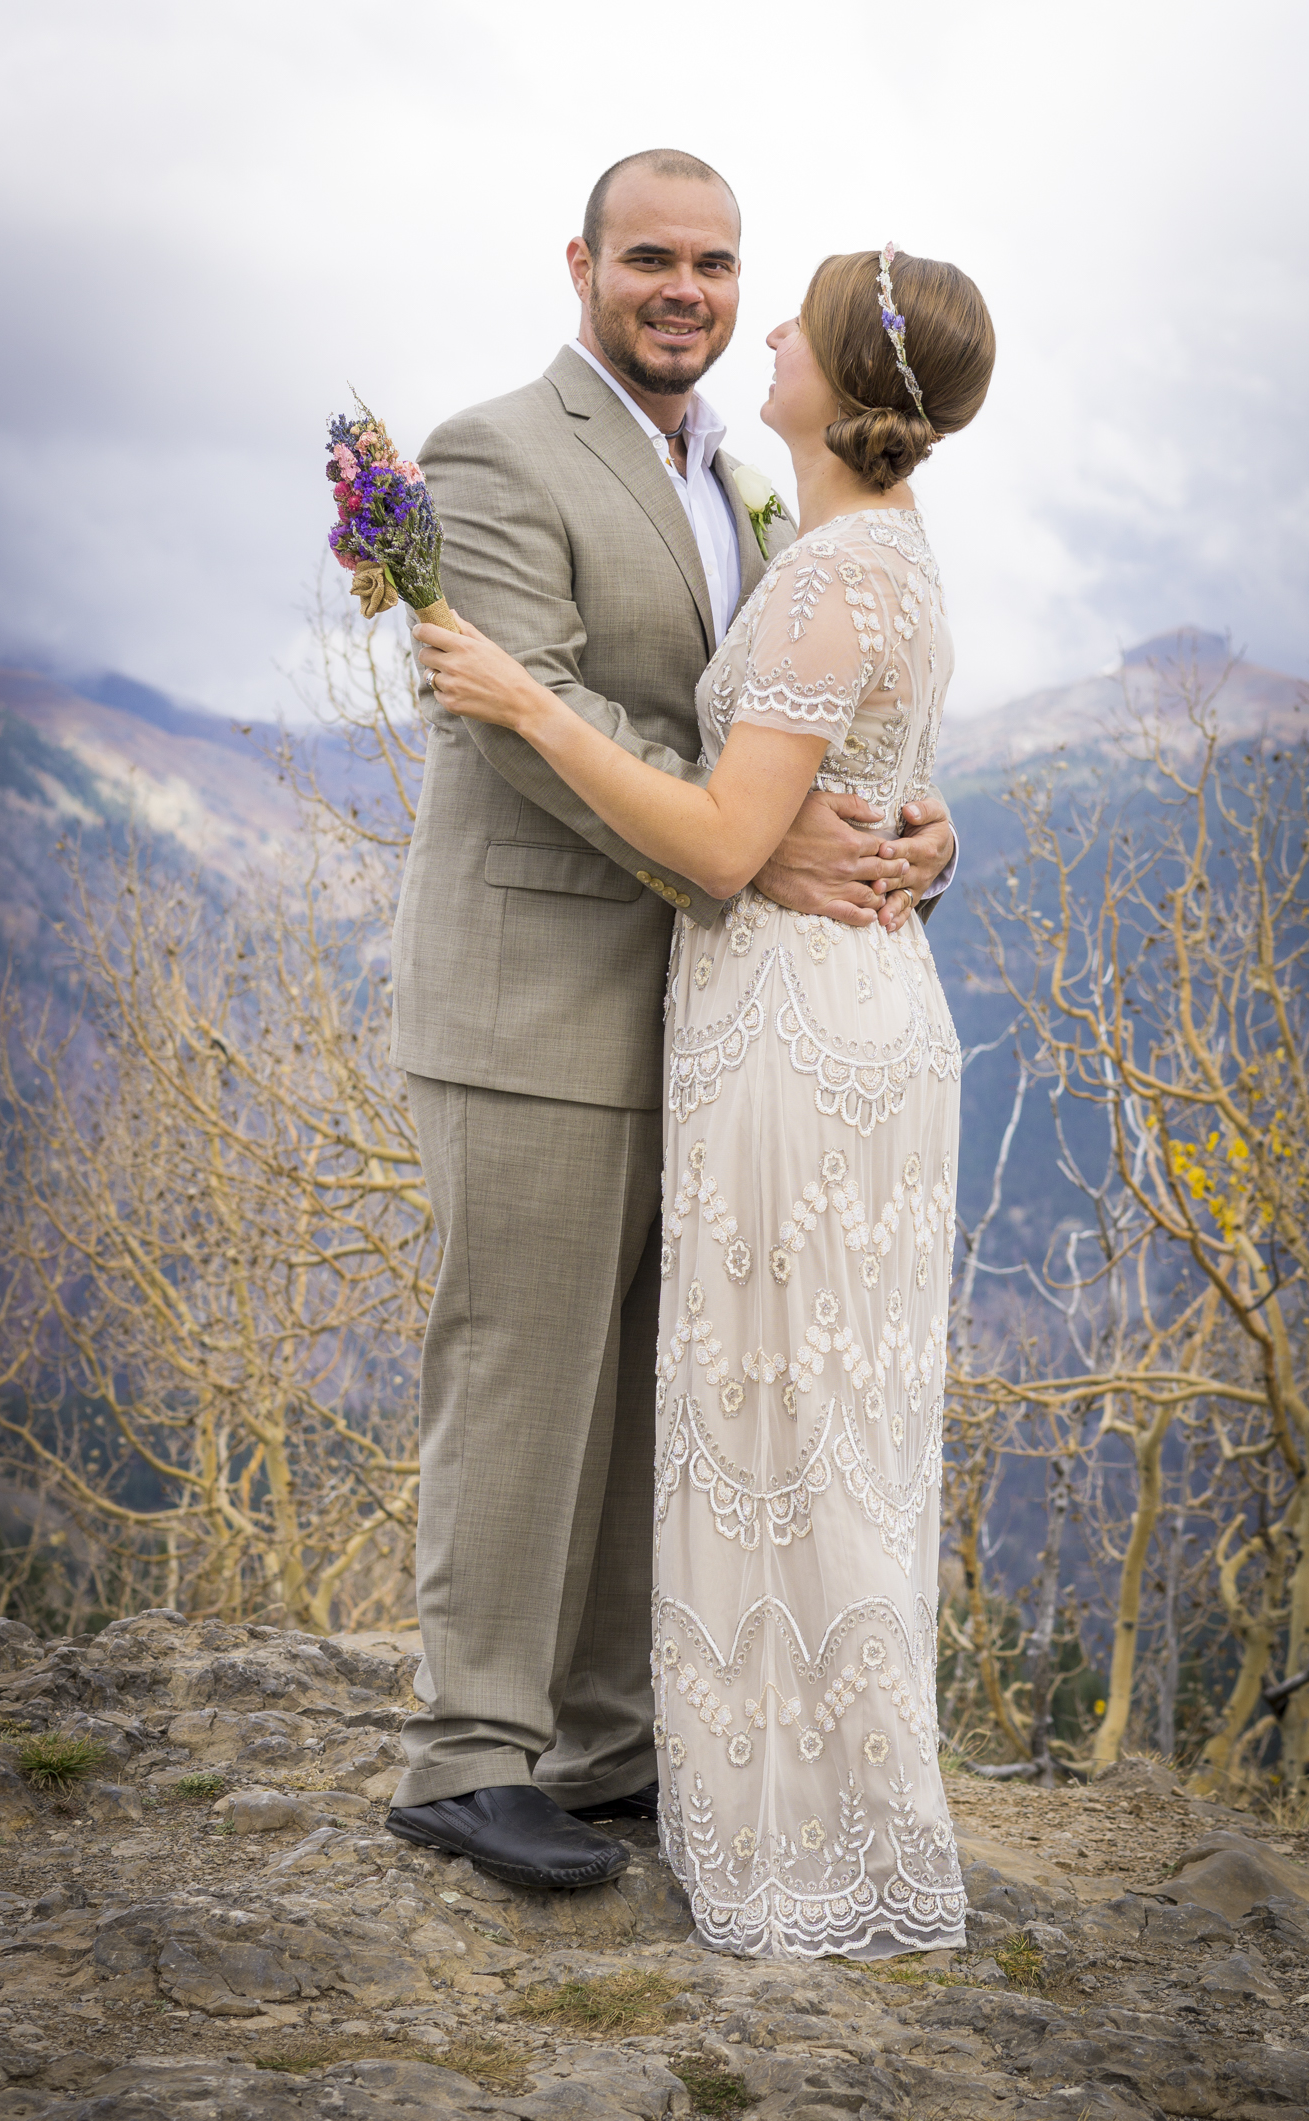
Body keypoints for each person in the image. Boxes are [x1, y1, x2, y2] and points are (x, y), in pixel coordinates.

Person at [386, 149, 960, 1896]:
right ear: (581, 265)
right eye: (650, 258)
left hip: (727, 1021)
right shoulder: (494, 449)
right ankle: (472, 1751)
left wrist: (909, 826)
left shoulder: (752, 480)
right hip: (539, 994)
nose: (686, 291)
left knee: (665, 1383)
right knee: (523, 1366)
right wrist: (752, 845)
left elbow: (803, 720)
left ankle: (612, 1741)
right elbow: (517, 710)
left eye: (714, 263)